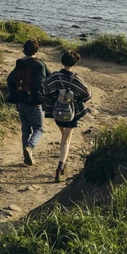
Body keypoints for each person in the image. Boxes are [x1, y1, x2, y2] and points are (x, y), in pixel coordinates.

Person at [43, 51, 92, 182]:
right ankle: (60, 165)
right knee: (66, 139)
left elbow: (45, 89)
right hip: (71, 113)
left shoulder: (54, 76)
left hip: (56, 112)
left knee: (64, 135)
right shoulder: (76, 78)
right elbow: (87, 95)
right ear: (74, 63)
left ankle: (63, 162)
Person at [6, 39, 49, 166]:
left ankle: (26, 156)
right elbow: (43, 83)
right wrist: (41, 99)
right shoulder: (40, 65)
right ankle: (29, 147)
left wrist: (16, 95)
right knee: (39, 128)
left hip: (20, 102)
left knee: (26, 129)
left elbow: (10, 79)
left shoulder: (19, 63)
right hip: (33, 103)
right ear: (36, 50)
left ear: (24, 50)